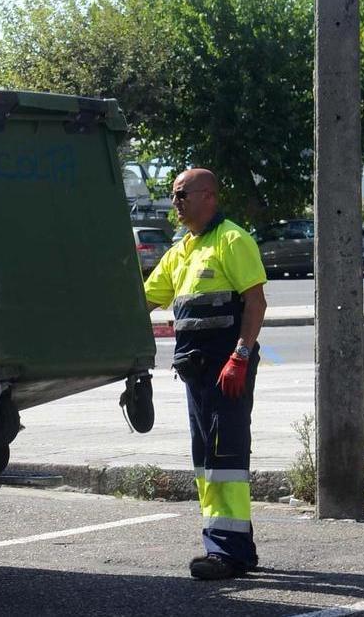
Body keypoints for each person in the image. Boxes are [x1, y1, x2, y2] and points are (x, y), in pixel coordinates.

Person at [143, 168, 267, 581]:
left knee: (225, 460)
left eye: (182, 195)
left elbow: (255, 302)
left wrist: (241, 356)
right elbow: (144, 300)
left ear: (209, 195)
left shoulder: (232, 239)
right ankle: (234, 547)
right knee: (209, 461)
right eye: (173, 195)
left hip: (227, 370)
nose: (175, 203)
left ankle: (227, 554)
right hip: (196, 376)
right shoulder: (181, 251)